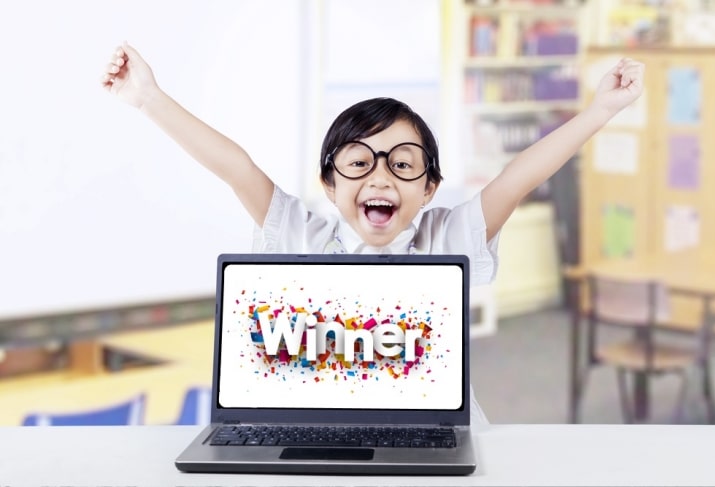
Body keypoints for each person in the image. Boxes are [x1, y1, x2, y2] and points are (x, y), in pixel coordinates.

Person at [101, 43, 644, 426]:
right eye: (359, 163)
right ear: (329, 183)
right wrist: (147, 97)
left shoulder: (446, 238)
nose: (380, 176)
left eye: (403, 164)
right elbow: (236, 167)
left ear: (429, 188)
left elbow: (519, 176)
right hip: (319, 431)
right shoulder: (300, 236)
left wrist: (600, 109)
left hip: (436, 434)